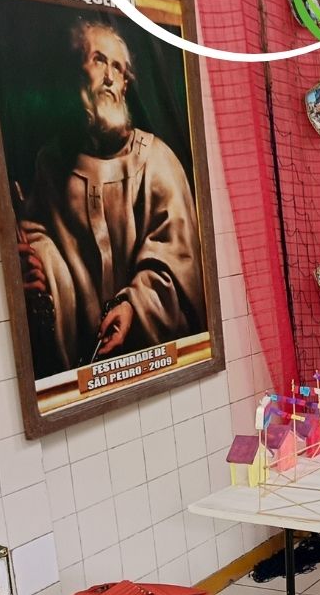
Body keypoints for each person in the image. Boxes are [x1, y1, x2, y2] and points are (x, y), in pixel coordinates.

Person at [17, 19, 205, 377]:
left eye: (117, 68)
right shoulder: (52, 164)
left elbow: (179, 263)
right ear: (76, 71)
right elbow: (37, 237)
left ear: (125, 84)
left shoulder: (157, 161)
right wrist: (40, 266)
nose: (108, 78)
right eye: (98, 60)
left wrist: (134, 306)